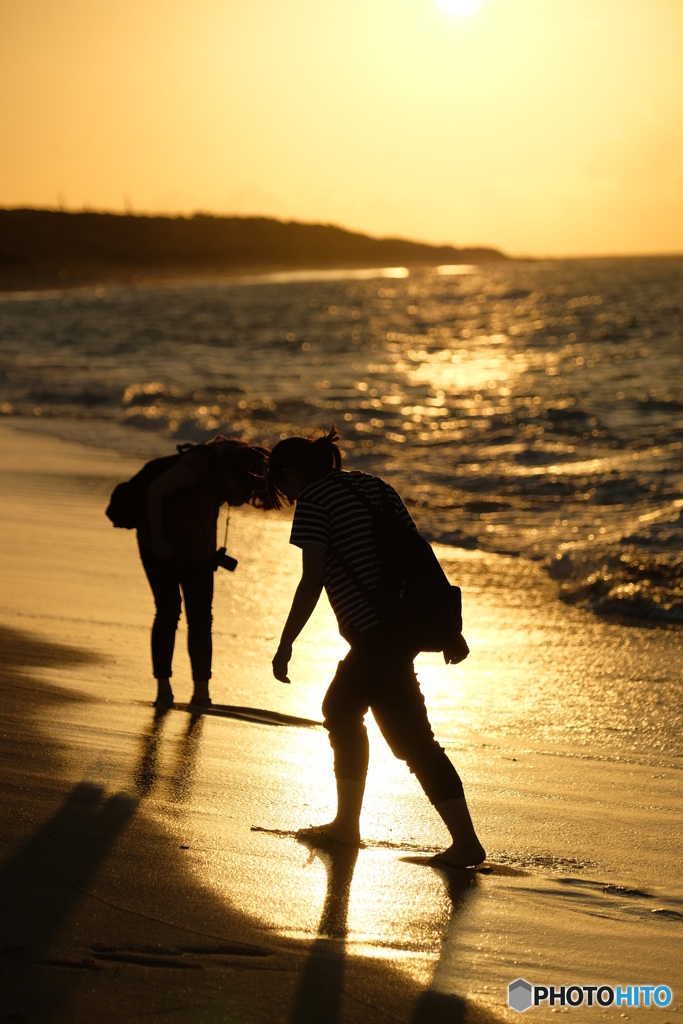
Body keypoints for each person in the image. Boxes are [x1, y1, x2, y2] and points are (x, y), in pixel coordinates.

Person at [268, 427, 486, 869]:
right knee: (372, 722)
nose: (287, 497)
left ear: (291, 471)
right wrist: (445, 627)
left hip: (374, 632)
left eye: (282, 486)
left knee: (368, 720)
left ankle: (365, 830)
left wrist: (286, 641)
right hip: (402, 626)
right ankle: (355, 826)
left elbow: (312, 579)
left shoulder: (314, 501)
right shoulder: (374, 486)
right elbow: (418, 557)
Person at [137, 436, 268, 708]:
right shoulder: (198, 463)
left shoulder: (236, 468)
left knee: (201, 619)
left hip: (197, 550)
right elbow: (155, 492)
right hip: (158, 543)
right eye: (241, 491)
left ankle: (201, 693)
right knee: (168, 610)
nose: (242, 499)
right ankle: (163, 690)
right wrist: (159, 539)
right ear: (233, 475)